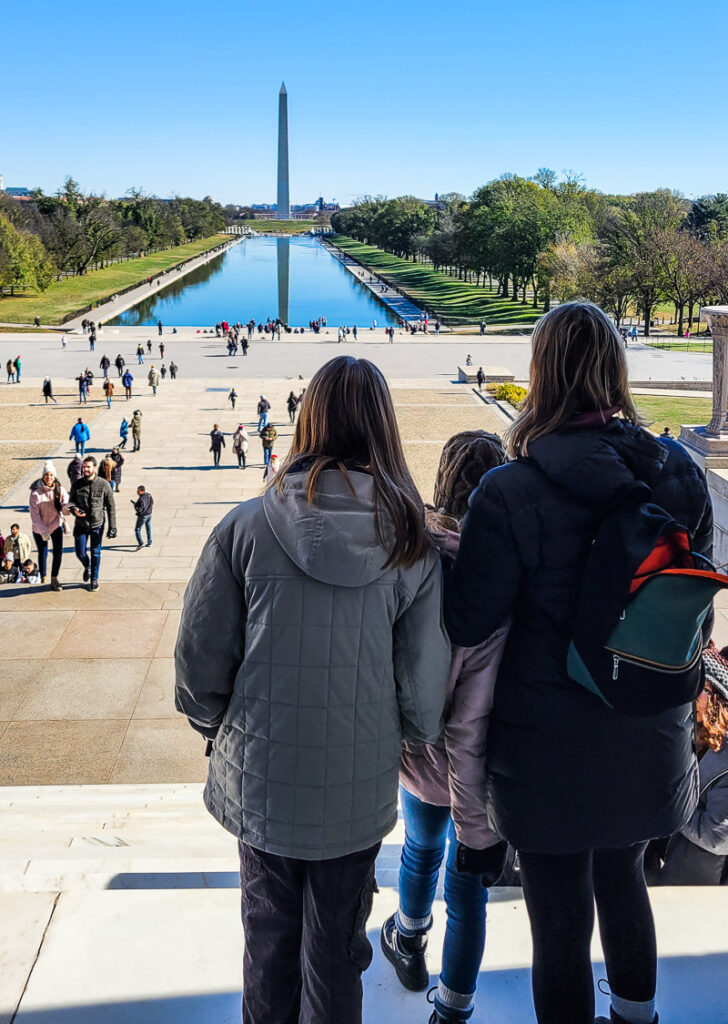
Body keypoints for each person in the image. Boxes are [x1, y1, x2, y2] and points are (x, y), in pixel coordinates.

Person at [444, 302, 713, 1024]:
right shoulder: (681, 477)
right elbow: (695, 608)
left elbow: (468, 620)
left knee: (557, 920)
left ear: (541, 375)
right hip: (647, 729)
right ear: (616, 370)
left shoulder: (507, 490)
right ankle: (637, 1018)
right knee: (624, 877)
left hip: (543, 747)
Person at [175, 355, 451, 1024]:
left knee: (268, 946)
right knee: (333, 956)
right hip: (354, 780)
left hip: (261, 774)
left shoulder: (243, 527)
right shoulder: (413, 542)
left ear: (309, 419)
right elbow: (422, 693)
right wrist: (404, 735)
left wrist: (218, 724)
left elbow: (198, 665)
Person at [382, 430, 508, 1024]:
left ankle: (408, 941)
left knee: (419, 849)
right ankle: (453, 1008)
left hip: (419, 749)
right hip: (480, 763)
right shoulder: (505, 571)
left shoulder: (414, 555)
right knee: (467, 889)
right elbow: (475, 716)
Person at [651, 641, 728, 885]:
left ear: (716, 697)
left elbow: (717, 836)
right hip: (662, 852)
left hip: (694, 879)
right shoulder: (688, 729)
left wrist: (669, 804)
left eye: (698, 687)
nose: (688, 693)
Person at [69, 455, 117, 592]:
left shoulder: (103, 484)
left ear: (94, 468)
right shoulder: (77, 485)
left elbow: (111, 506)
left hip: (97, 524)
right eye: (84, 467)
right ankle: (87, 566)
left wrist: (112, 527)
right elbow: (71, 502)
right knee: (80, 552)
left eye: (88, 467)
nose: (85, 469)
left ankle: (94, 579)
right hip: (81, 524)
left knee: (96, 552)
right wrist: (74, 510)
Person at [29, 461, 68, 590]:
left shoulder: (60, 489)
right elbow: (35, 516)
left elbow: (65, 505)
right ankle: (43, 576)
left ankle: (54, 578)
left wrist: (68, 509)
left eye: (51, 475)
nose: (49, 478)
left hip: (56, 524)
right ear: (43, 476)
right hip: (39, 528)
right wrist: (43, 531)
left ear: (54, 476)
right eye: (46, 475)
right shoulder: (35, 494)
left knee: (58, 552)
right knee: (43, 552)